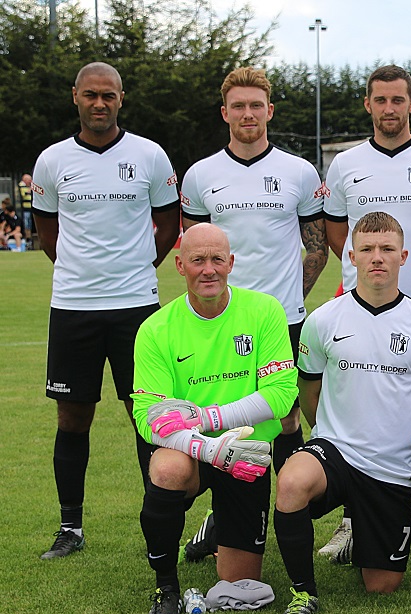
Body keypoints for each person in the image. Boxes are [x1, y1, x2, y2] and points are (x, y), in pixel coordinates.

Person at [272, 212, 411, 614]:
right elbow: (309, 390)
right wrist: (325, 433)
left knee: (382, 586)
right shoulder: (323, 320)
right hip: (334, 450)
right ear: (351, 256)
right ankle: (303, 593)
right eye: (367, 249)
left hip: (390, 465)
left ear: (403, 256)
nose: (377, 257)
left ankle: (363, 540)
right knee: (292, 481)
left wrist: (405, 444)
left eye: (387, 249)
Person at [31, 61, 180, 559]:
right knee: (73, 417)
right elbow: (48, 233)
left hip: (136, 308)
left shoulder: (149, 155)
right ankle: (70, 527)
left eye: (108, 95)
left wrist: (135, 268)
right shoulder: (52, 160)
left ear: (121, 99)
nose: (100, 103)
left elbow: (168, 224)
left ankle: (156, 520)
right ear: (75, 96)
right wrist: (82, 272)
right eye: (91, 94)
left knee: (147, 415)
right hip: (73, 307)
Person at [321, 65, 411, 561]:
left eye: (398, 99)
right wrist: (371, 280)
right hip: (358, 312)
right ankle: (351, 521)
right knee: (354, 419)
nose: (389, 108)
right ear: (368, 104)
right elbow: (339, 235)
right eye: (380, 100)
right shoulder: (344, 164)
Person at [132, 223, 297, 614]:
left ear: (231, 263)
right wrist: (208, 446)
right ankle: (166, 587)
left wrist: (208, 418)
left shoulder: (264, 311)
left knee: (240, 582)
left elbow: (281, 395)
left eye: (217, 259)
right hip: (191, 452)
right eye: (198, 260)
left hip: (247, 455)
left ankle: (214, 528)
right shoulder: (156, 329)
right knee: (167, 469)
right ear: (180, 265)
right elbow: (149, 419)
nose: (209, 269)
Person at [181, 66, 327, 472]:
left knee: (286, 418)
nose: (248, 114)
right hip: (222, 320)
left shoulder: (299, 172)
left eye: (256, 106)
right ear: (225, 113)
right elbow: (194, 251)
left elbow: (318, 249)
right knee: (229, 418)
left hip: (283, 319)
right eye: (239, 106)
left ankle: (291, 502)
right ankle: (233, 503)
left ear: (270, 111)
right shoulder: (200, 175)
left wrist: (287, 299)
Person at [17, 173, 32, 247]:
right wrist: (30, 189)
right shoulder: (22, 185)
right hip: (25, 209)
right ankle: (27, 239)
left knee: (29, 224)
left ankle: (29, 239)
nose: (30, 181)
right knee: (26, 224)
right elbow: (24, 194)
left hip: (31, 208)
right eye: (29, 180)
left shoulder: (28, 186)